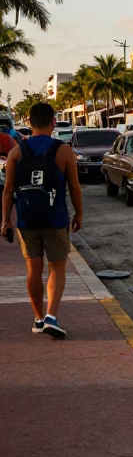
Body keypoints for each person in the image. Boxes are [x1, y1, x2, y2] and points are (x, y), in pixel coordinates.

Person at [1, 101, 83, 339]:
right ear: (53, 123)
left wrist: (5, 220)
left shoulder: (17, 152)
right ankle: (51, 316)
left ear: (29, 123)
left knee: (33, 270)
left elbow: (7, 191)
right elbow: (74, 187)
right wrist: (79, 213)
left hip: (27, 220)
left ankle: (38, 319)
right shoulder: (63, 150)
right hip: (55, 218)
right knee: (57, 267)